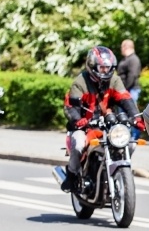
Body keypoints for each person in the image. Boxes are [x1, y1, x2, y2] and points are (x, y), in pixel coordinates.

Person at [61, 46, 144, 192]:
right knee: (78, 145)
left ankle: (118, 170)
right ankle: (72, 174)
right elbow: (70, 106)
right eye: (102, 67)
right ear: (92, 66)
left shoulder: (114, 80)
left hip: (107, 124)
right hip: (84, 126)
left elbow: (125, 98)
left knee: (129, 143)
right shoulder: (80, 82)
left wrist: (137, 118)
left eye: (108, 67)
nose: (106, 71)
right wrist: (78, 120)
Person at [118, 39, 142, 139]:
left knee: (133, 113)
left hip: (131, 89)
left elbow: (132, 76)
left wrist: (125, 89)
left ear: (125, 47)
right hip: (124, 90)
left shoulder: (133, 59)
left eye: (121, 47)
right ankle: (125, 135)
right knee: (123, 113)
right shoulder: (126, 59)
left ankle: (134, 136)